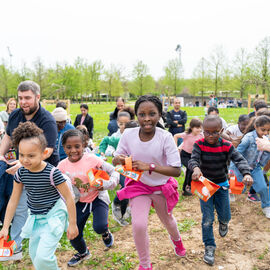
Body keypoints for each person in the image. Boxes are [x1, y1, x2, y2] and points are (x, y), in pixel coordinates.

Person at [113, 95, 186, 270]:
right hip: (139, 185)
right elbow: (116, 159)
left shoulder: (165, 137)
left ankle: (177, 241)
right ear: (136, 116)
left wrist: (149, 166)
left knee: (167, 220)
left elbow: (176, 170)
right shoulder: (129, 134)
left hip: (161, 186)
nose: (147, 119)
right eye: (142, 114)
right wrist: (120, 159)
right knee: (139, 225)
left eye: (152, 114)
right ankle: (145, 264)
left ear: (160, 114)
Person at [0, 122, 78, 270]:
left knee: (43, 258)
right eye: (21, 155)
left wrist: (73, 224)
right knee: (35, 257)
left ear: (44, 153)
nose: (25, 160)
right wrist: (5, 227)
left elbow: (68, 198)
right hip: (35, 217)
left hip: (54, 215)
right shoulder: (21, 173)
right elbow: (13, 200)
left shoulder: (52, 173)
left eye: (31, 155)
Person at [0, 80, 59, 261]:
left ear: (37, 97)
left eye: (27, 98)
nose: (23, 102)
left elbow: (48, 150)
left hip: (42, 169)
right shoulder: (15, 115)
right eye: (20, 98)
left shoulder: (47, 120)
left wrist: (24, 164)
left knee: (28, 208)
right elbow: (9, 136)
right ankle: (13, 243)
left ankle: (28, 244)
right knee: (15, 204)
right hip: (21, 164)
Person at [188, 115, 253, 266]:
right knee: (207, 218)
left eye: (215, 132)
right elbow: (193, 160)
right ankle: (209, 246)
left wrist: (247, 173)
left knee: (225, 214)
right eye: (207, 132)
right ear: (203, 131)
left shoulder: (226, 145)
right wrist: (196, 169)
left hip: (222, 185)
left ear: (221, 130)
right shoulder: (199, 144)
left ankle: (224, 222)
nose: (210, 136)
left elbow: (239, 160)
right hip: (205, 186)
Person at [57, 129, 119, 267]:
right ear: (63, 147)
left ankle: (105, 233)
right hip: (78, 202)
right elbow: (56, 185)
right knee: (73, 233)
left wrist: (108, 184)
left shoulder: (92, 159)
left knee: (99, 227)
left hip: (97, 197)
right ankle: (83, 252)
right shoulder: (61, 166)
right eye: (68, 147)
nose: (73, 150)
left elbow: (113, 170)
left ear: (84, 145)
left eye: (77, 146)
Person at [230, 115, 270, 218]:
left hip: (255, 167)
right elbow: (237, 153)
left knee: (263, 188)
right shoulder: (248, 138)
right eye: (263, 130)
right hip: (242, 167)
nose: (266, 133)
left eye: (268, 130)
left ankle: (266, 206)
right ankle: (229, 192)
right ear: (256, 127)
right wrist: (232, 169)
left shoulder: (267, 139)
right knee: (238, 188)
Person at [173, 118, 203, 196]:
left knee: (193, 170)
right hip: (185, 155)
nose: (199, 129)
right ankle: (186, 188)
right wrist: (176, 147)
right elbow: (176, 136)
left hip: (194, 156)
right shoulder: (186, 134)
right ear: (192, 128)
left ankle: (189, 187)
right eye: (197, 128)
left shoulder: (201, 135)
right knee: (191, 169)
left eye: (200, 128)